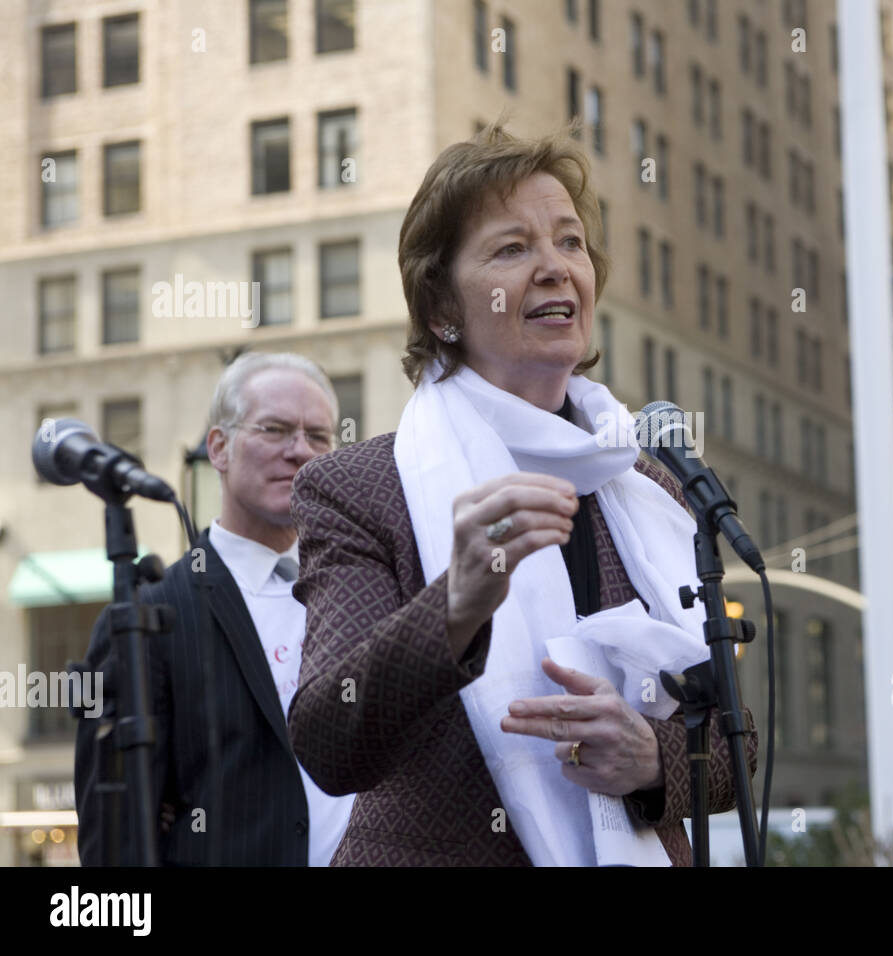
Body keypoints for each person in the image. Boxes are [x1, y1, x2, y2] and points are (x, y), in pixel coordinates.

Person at [288, 121, 759, 866]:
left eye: (569, 243)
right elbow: (329, 742)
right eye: (512, 248)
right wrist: (458, 603)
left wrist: (650, 758)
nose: (554, 267)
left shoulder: (650, 485)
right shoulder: (356, 489)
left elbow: (738, 748)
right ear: (442, 309)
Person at [74, 352, 356, 865]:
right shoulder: (151, 619)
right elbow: (115, 846)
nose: (299, 451)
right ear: (219, 448)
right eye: (274, 429)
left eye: (318, 436)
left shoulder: (358, 592)